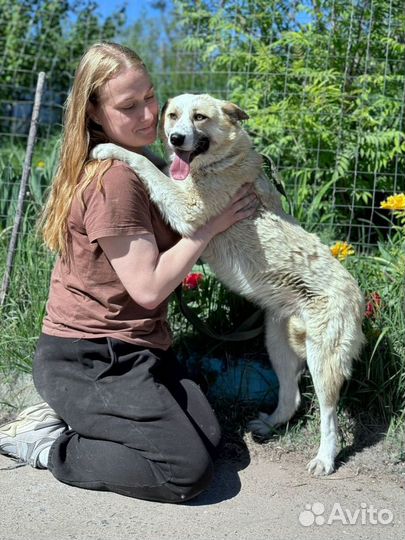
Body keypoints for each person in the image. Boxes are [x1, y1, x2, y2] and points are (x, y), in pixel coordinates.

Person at [0, 42, 258, 502]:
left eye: (150, 98)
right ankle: (45, 443)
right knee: (184, 471)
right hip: (89, 357)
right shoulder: (115, 180)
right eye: (128, 106)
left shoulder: (148, 165)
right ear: (95, 114)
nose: (147, 115)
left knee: (212, 437)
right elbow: (149, 287)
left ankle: (78, 415)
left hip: (139, 351)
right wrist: (213, 226)